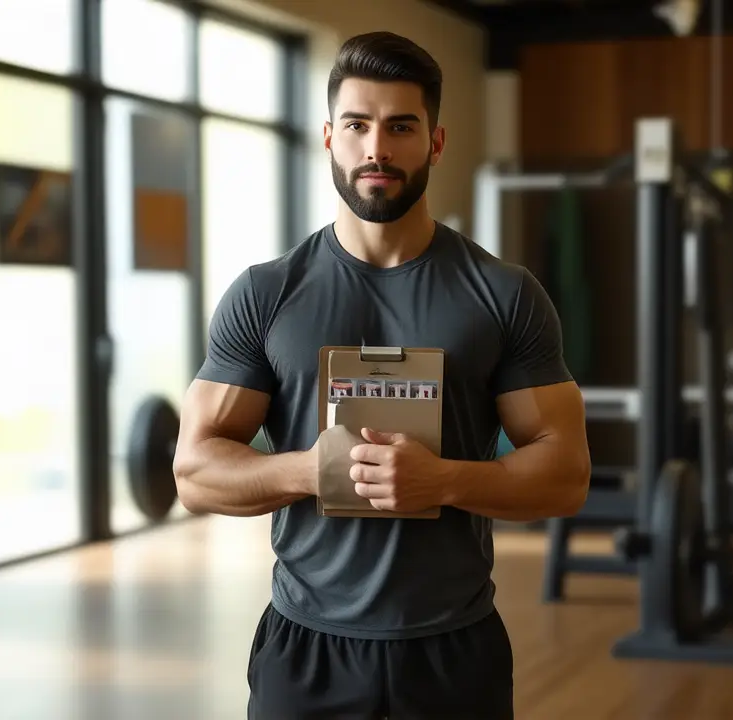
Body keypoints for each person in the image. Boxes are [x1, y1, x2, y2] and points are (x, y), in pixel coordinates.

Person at [173, 31, 591, 720]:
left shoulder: (504, 294)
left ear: (435, 142)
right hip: (307, 648)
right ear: (329, 138)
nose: (377, 148)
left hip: (453, 648)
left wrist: (444, 480)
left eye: (401, 126)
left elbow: (567, 474)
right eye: (358, 126)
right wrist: (311, 470)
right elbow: (194, 473)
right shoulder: (266, 294)